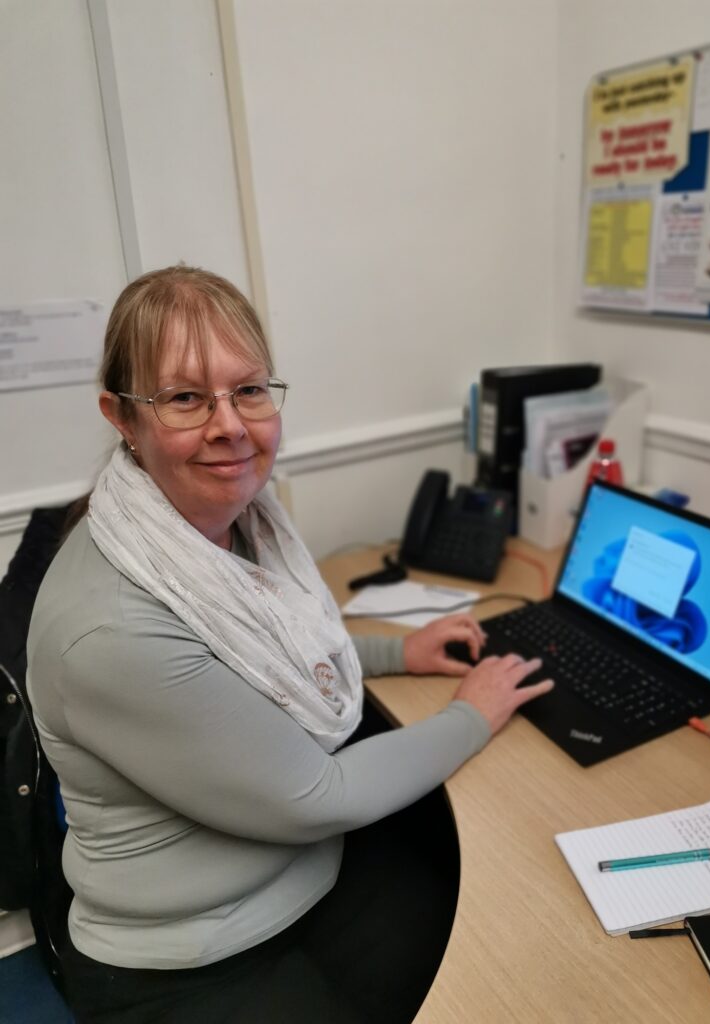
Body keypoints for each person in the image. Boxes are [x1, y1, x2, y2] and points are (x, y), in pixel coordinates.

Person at [27, 265, 553, 1024]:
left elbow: (265, 657)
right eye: (184, 398)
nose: (230, 425)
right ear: (122, 417)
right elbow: (317, 795)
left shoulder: (228, 527)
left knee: (509, 923)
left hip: (300, 881)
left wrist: (396, 655)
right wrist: (471, 714)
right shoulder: (111, 627)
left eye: (248, 390)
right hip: (196, 961)